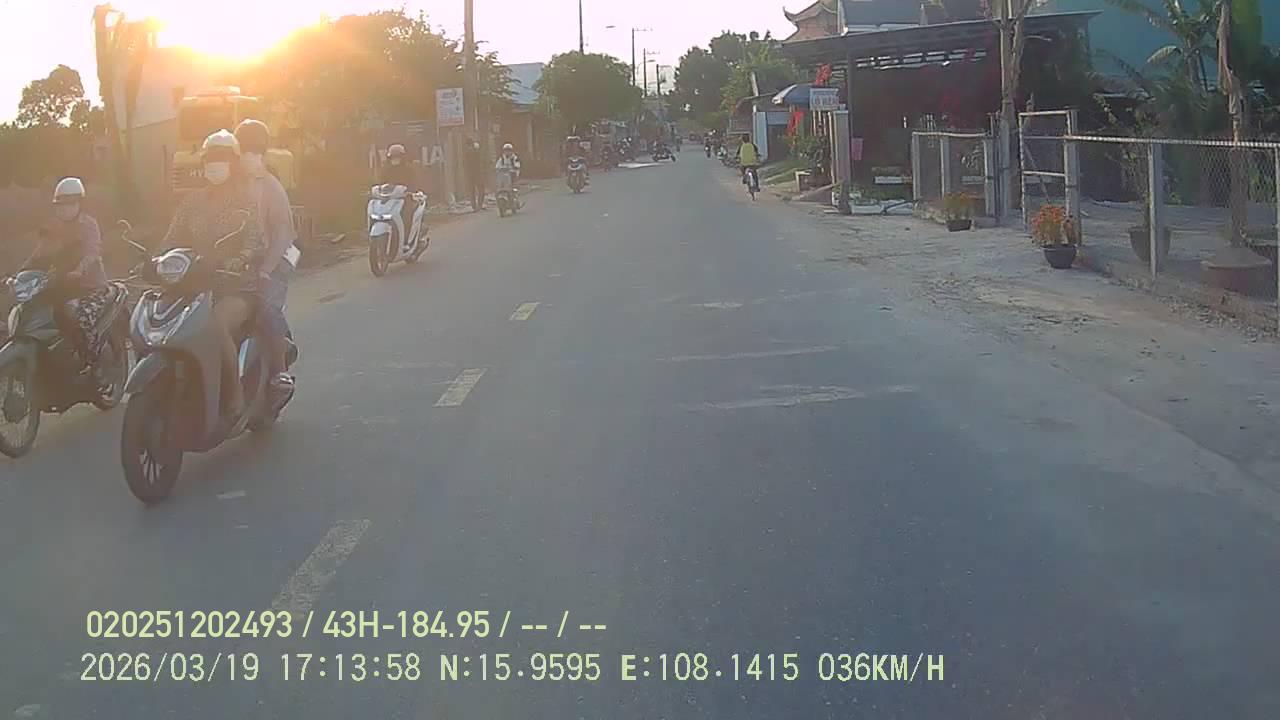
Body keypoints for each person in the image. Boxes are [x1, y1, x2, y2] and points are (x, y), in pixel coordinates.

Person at [159, 129, 265, 421]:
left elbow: (256, 243)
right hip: (193, 285)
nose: (214, 164)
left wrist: (240, 258)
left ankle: (235, 392)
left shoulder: (245, 201)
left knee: (216, 324)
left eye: (221, 158)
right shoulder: (192, 201)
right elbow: (171, 240)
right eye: (209, 159)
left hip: (236, 286)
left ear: (233, 163)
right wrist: (158, 260)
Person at [18, 177, 111, 383]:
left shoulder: (89, 225)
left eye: (70, 204)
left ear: (80, 204)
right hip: (62, 285)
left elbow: (93, 253)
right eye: (60, 205)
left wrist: (79, 270)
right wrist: (19, 274)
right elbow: (39, 253)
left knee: (82, 319)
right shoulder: (53, 227)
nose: (65, 209)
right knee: (34, 311)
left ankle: (93, 365)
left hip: (91, 287)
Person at [234, 118, 297, 400]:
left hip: (275, 260)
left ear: (263, 152)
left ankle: (279, 371)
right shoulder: (229, 184)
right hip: (238, 263)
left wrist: (266, 269)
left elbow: (283, 234)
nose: (249, 155)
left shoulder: (271, 187)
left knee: (266, 309)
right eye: (244, 149)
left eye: (255, 150)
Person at [379, 144, 418, 234]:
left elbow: (414, 184)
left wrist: (409, 191)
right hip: (389, 199)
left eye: (397, 157)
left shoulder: (408, 169)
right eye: (393, 157)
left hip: (404, 199)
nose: (395, 159)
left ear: (402, 157)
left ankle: (407, 236)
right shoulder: (386, 170)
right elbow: (380, 183)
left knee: (406, 215)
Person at [463, 137, 486, 212]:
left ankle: (474, 206)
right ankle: (479, 205)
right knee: (481, 189)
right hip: (477, 173)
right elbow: (480, 157)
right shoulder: (474, 151)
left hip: (470, 173)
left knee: (472, 190)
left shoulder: (466, 152)